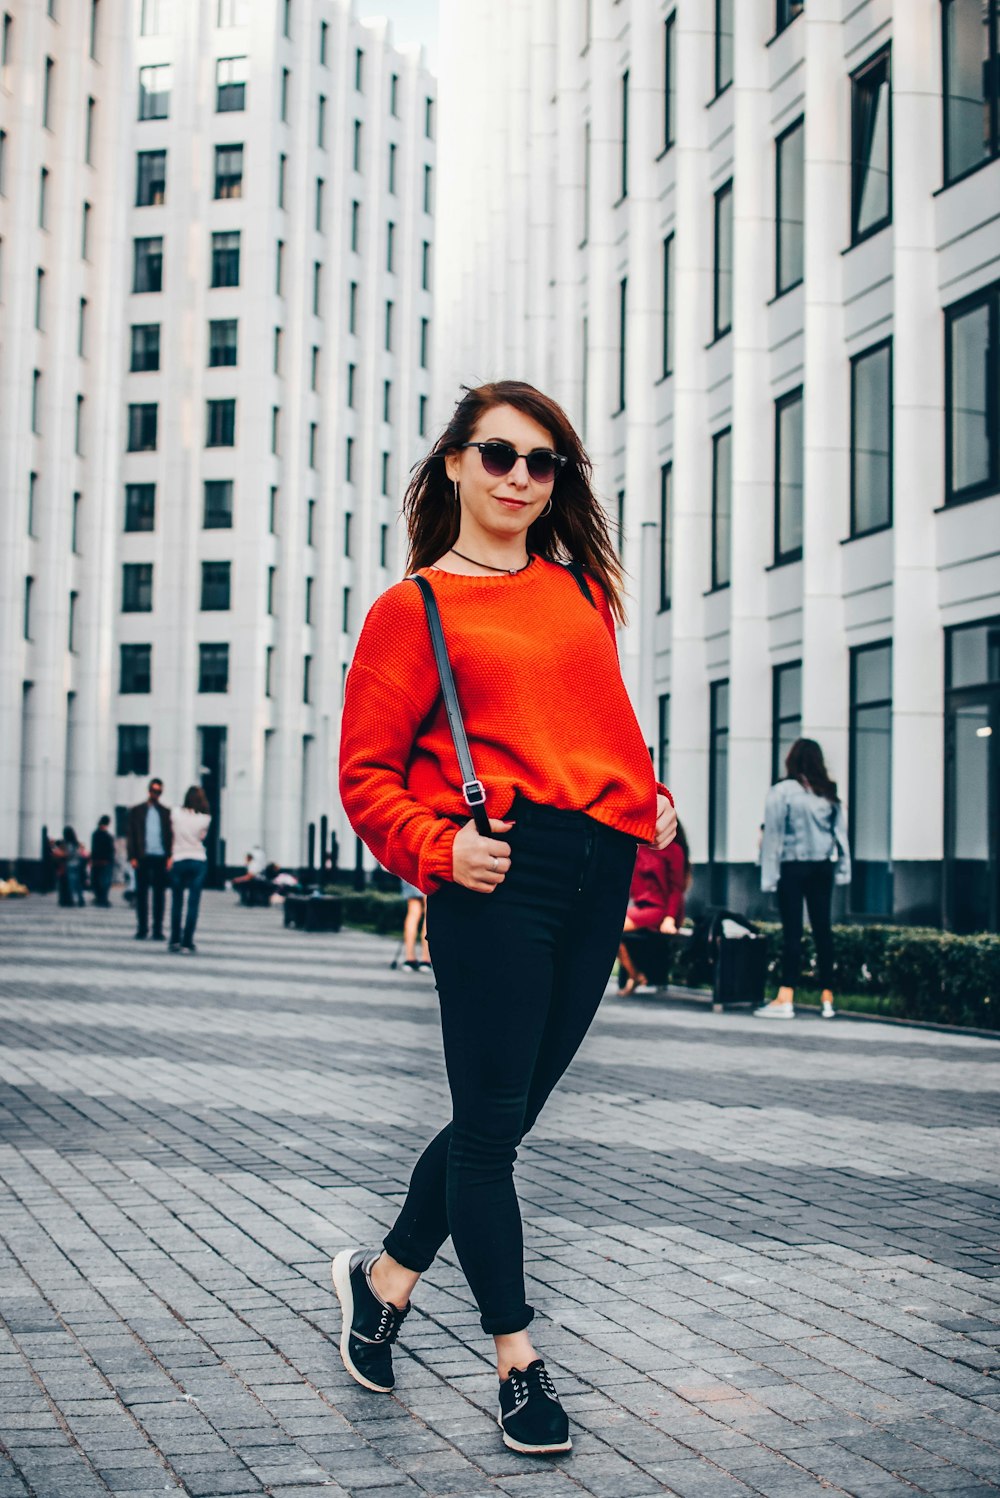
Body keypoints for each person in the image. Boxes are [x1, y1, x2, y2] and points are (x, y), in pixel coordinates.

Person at [336, 380, 677, 1456]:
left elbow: (606, 727)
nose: (521, 478)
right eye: (499, 455)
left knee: (506, 1116)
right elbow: (365, 776)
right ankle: (517, 1360)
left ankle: (384, 1277)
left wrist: (646, 801)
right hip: (495, 875)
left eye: (543, 463)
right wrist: (440, 849)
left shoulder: (580, 594)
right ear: (453, 465)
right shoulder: (415, 607)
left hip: (598, 867)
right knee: (490, 1130)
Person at [757, 738, 851, 1020]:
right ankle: (827, 997)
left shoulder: (782, 791)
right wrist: (845, 868)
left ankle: (786, 995)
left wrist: (768, 876)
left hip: (793, 866)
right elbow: (841, 835)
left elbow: (773, 835)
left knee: (792, 931)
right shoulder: (827, 792)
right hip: (822, 866)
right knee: (823, 930)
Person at [617, 819, 691, 995]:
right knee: (607, 929)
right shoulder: (640, 848)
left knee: (610, 930)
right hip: (642, 909)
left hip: (661, 911)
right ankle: (634, 974)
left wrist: (670, 919)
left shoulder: (673, 850)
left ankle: (634, 976)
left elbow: (676, 889)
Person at [127, 778, 172, 940]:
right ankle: (142, 928)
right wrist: (132, 856)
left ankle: (157, 929)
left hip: (160, 857)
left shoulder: (165, 812)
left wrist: (170, 856)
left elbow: (169, 836)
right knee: (141, 894)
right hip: (142, 857)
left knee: (159, 895)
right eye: (154, 790)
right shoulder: (137, 810)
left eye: (159, 791)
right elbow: (131, 835)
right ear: (149, 791)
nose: (156, 794)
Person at [167, 786, 211, 952]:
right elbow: (202, 837)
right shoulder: (205, 818)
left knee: (176, 901)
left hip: (178, 858)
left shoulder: (175, 813)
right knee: (193, 903)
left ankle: (174, 939)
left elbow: (171, 832)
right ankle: (187, 941)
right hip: (197, 859)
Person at [399, 880, 431, 973]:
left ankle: (409, 959)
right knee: (428, 912)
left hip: (410, 870)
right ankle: (425, 959)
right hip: (429, 869)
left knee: (412, 912)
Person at [53, 827, 87, 907]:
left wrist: (59, 853)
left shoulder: (68, 844)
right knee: (78, 884)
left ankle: (72, 900)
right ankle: (80, 899)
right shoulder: (76, 843)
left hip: (70, 865)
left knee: (71, 884)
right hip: (78, 865)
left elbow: (68, 854)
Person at [90, 815, 116, 907]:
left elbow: (94, 849)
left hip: (97, 861)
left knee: (97, 881)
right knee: (105, 881)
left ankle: (100, 898)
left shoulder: (95, 834)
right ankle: (103, 899)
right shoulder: (108, 836)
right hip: (106, 862)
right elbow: (111, 850)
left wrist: (93, 860)